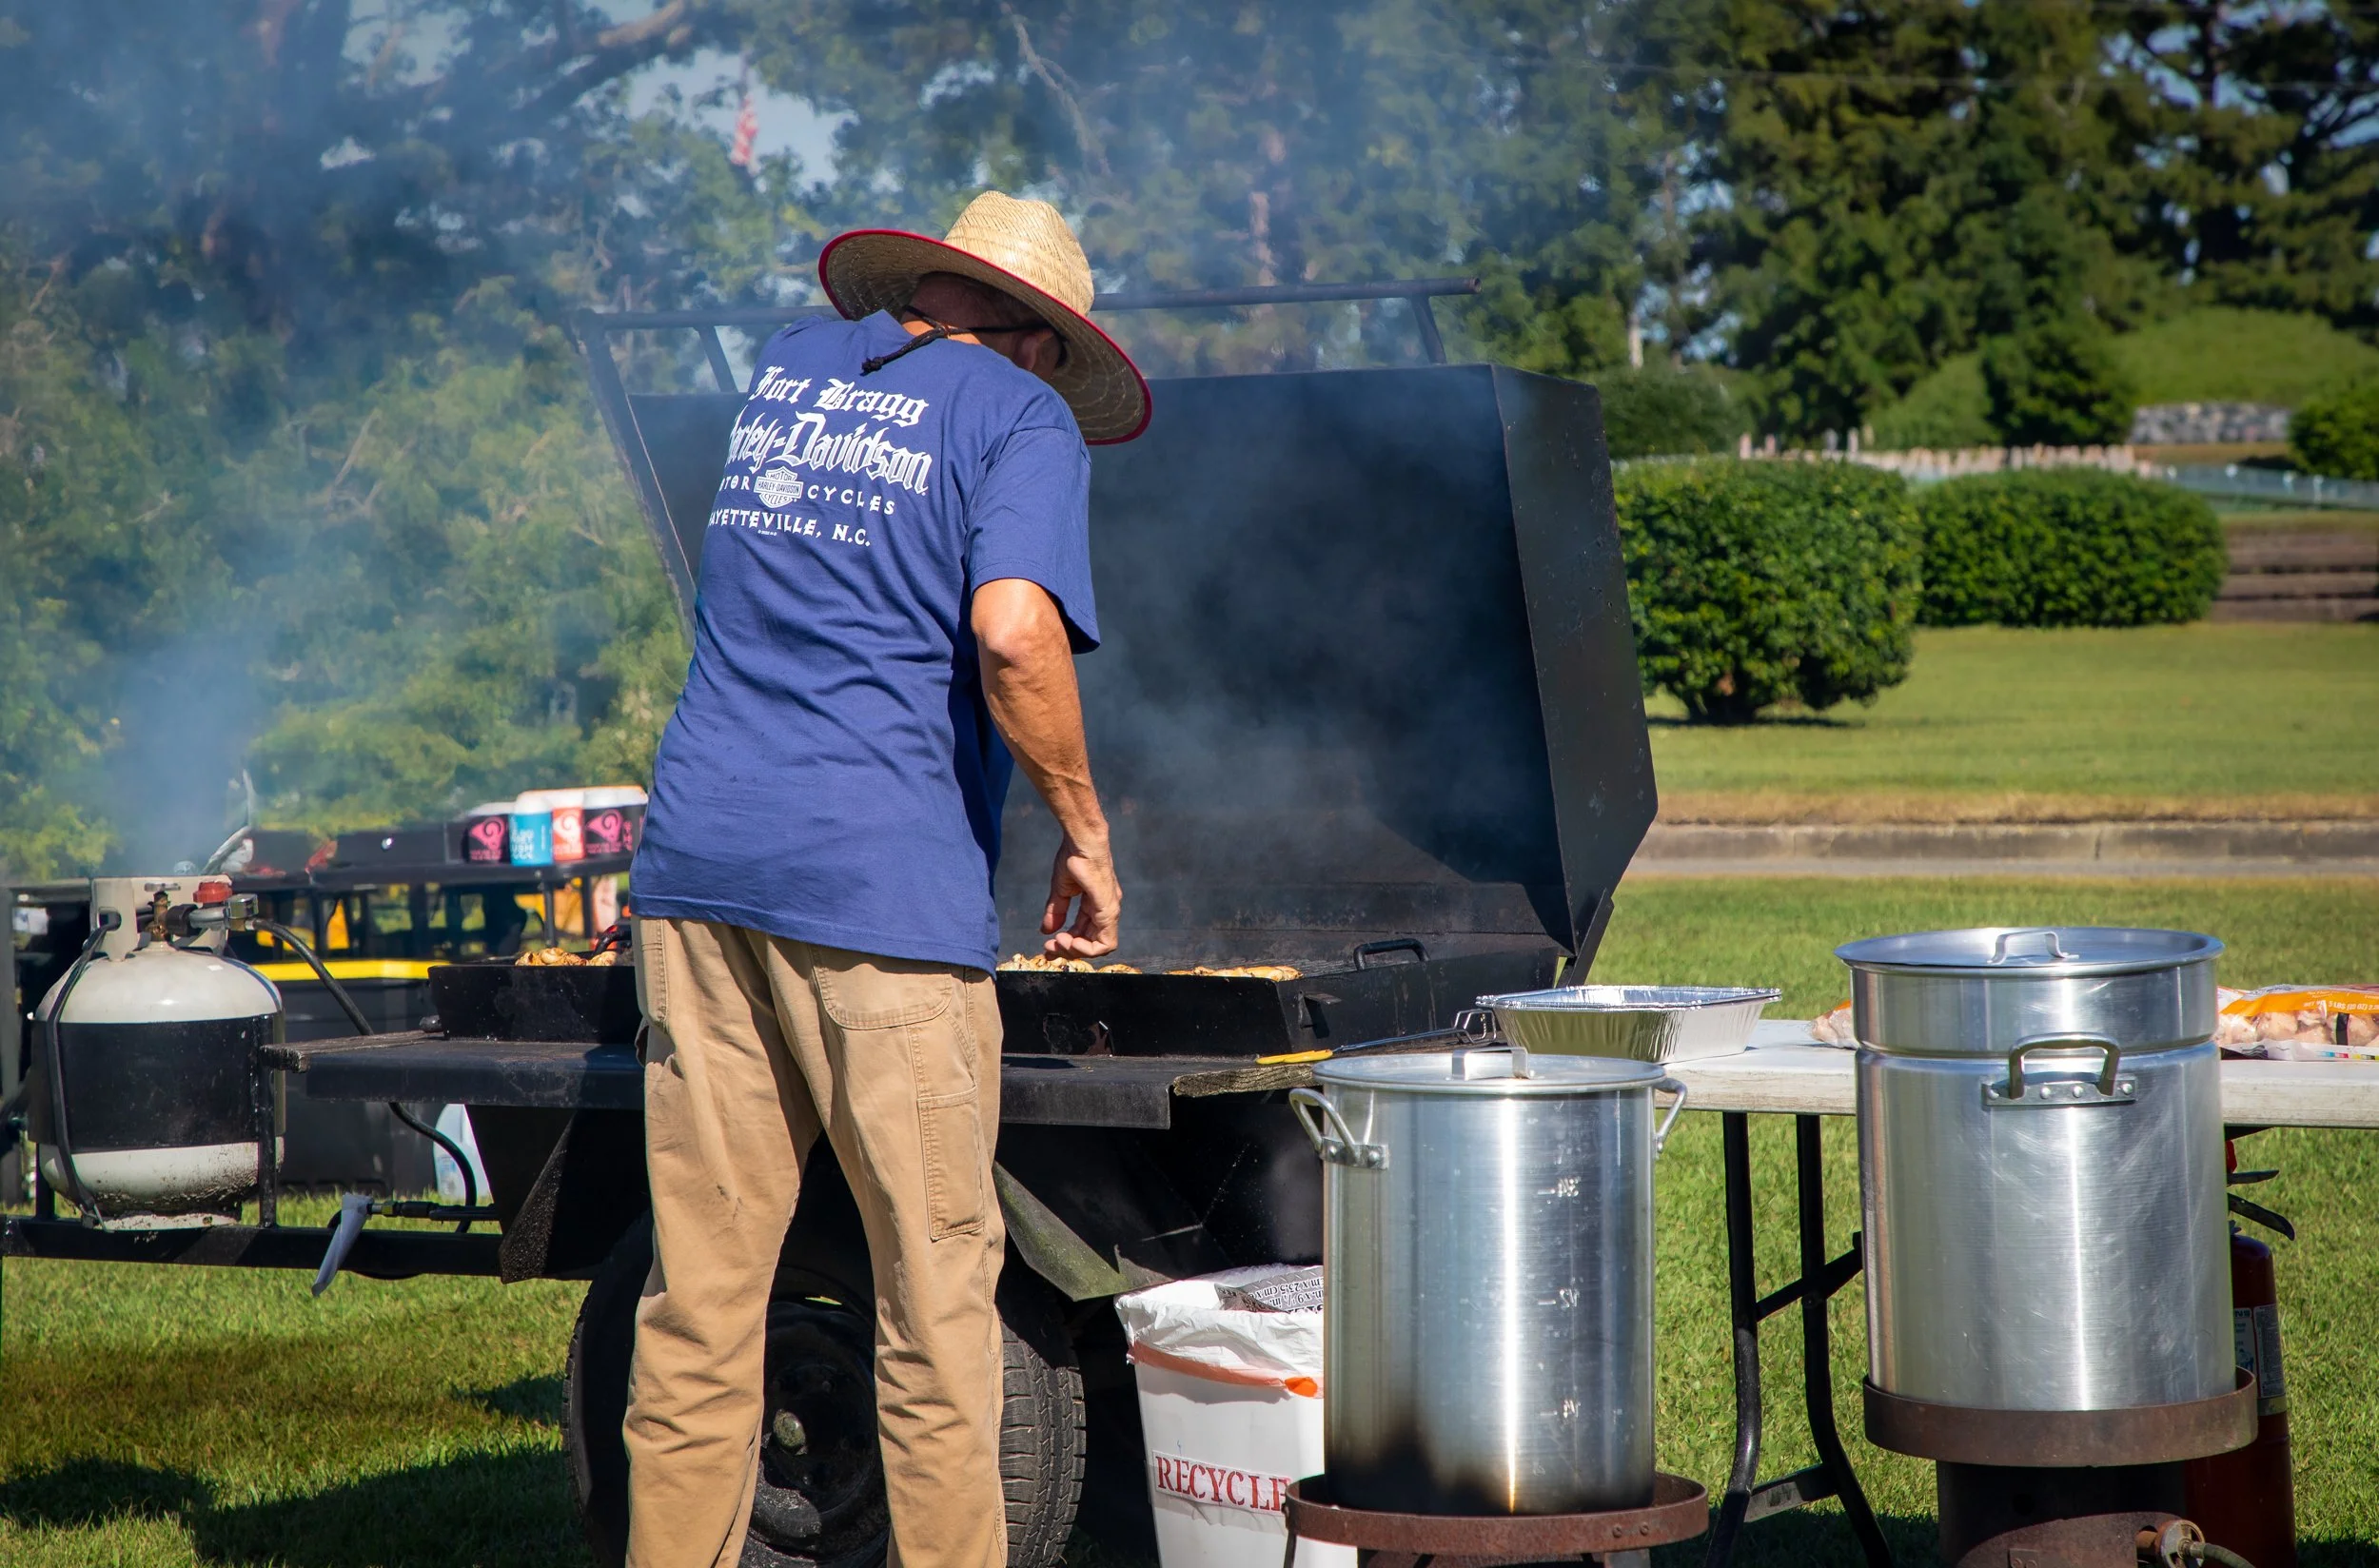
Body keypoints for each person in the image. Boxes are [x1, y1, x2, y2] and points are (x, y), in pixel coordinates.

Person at [620, 190, 1150, 1568]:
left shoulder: (790, 367)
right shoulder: (1017, 415)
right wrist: (1084, 834)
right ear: (1038, 340)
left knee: (702, 1300)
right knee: (933, 1303)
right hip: (879, 900)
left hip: (696, 874)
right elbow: (1016, 635)